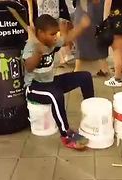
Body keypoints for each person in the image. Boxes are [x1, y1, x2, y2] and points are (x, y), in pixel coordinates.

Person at [23, 14, 94, 150]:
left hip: (50, 82)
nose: (55, 37)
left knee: (85, 76)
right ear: (40, 33)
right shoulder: (31, 46)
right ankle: (66, 135)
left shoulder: (52, 42)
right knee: (56, 95)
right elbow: (29, 67)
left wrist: (82, 26)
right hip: (34, 87)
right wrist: (38, 53)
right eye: (52, 34)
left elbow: (68, 39)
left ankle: (91, 114)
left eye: (56, 33)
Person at [74, 0, 110, 75]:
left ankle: (77, 69)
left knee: (81, 36)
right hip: (99, 8)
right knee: (100, 32)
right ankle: (104, 67)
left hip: (86, 7)